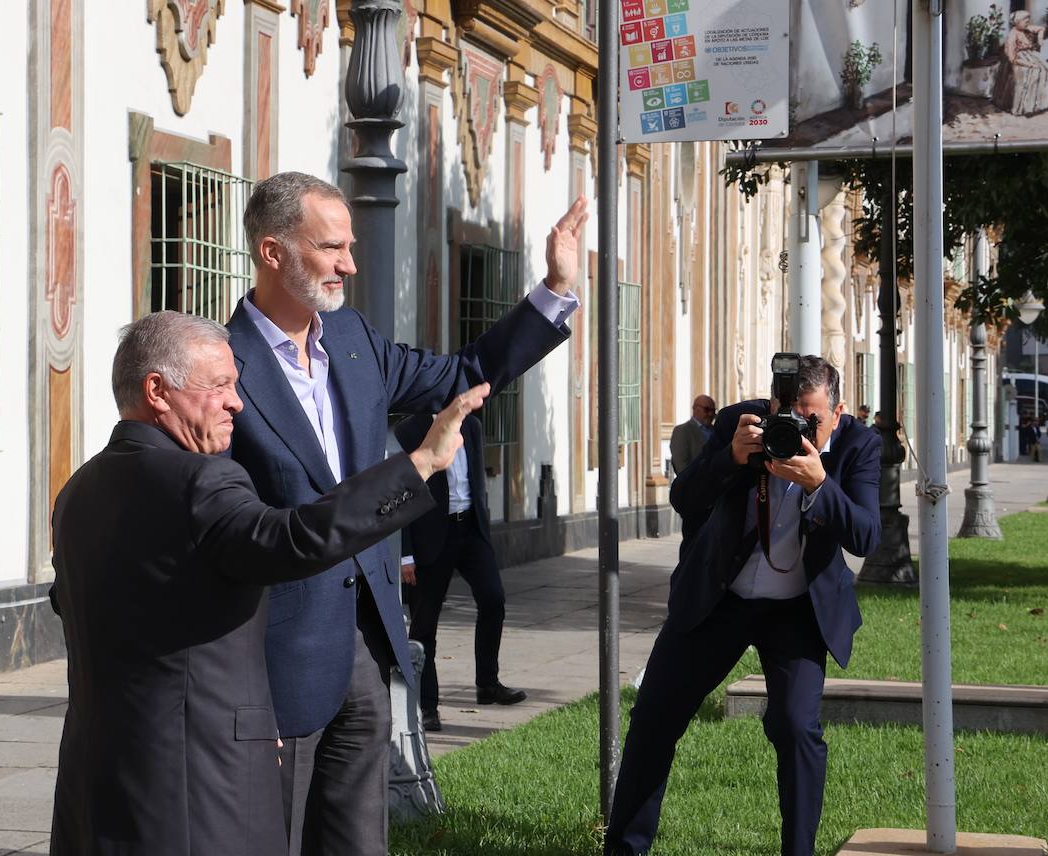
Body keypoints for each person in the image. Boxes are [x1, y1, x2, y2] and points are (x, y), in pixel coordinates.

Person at [226, 171, 585, 855]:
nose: (349, 265)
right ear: (273, 253)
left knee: (362, 842)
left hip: (368, 646)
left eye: (350, 246)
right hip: (278, 661)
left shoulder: (355, 340)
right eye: (331, 248)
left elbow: (464, 373)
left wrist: (554, 291)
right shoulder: (222, 366)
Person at [47, 312, 488, 856]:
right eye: (221, 386)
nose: (237, 401)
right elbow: (293, 538)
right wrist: (417, 465)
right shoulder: (201, 481)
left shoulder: (78, 491)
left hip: (102, 777)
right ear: (157, 391)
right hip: (201, 781)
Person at [605, 355, 880, 856]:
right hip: (719, 597)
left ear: (837, 413)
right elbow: (684, 498)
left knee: (796, 729)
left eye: (812, 420)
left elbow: (866, 536)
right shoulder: (739, 423)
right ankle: (625, 848)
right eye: (786, 413)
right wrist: (729, 457)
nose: (797, 430)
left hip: (796, 610)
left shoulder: (859, 445)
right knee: (653, 719)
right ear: (771, 403)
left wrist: (820, 483)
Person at [395, 412, 524, 735]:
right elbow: (403, 491)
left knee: (493, 598)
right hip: (429, 537)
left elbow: (477, 479)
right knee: (425, 625)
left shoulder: (473, 426)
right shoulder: (410, 430)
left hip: (470, 528)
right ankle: (426, 706)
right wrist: (404, 553)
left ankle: (488, 684)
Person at [993, 10, 1048, 116]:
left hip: (1030, 55)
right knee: (1030, 72)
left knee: (1045, 69)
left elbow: (1041, 28)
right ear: (1017, 22)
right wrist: (1028, 64)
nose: (1028, 22)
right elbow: (1012, 57)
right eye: (1025, 20)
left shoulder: (1026, 28)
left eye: (1028, 20)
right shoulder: (1012, 35)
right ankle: (1022, 107)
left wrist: (1040, 38)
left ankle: (1038, 104)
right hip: (1018, 59)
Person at [668, 394, 716, 475]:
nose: (710, 414)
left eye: (713, 411)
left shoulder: (716, 430)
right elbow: (680, 465)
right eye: (707, 410)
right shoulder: (682, 431)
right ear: (695, 409)